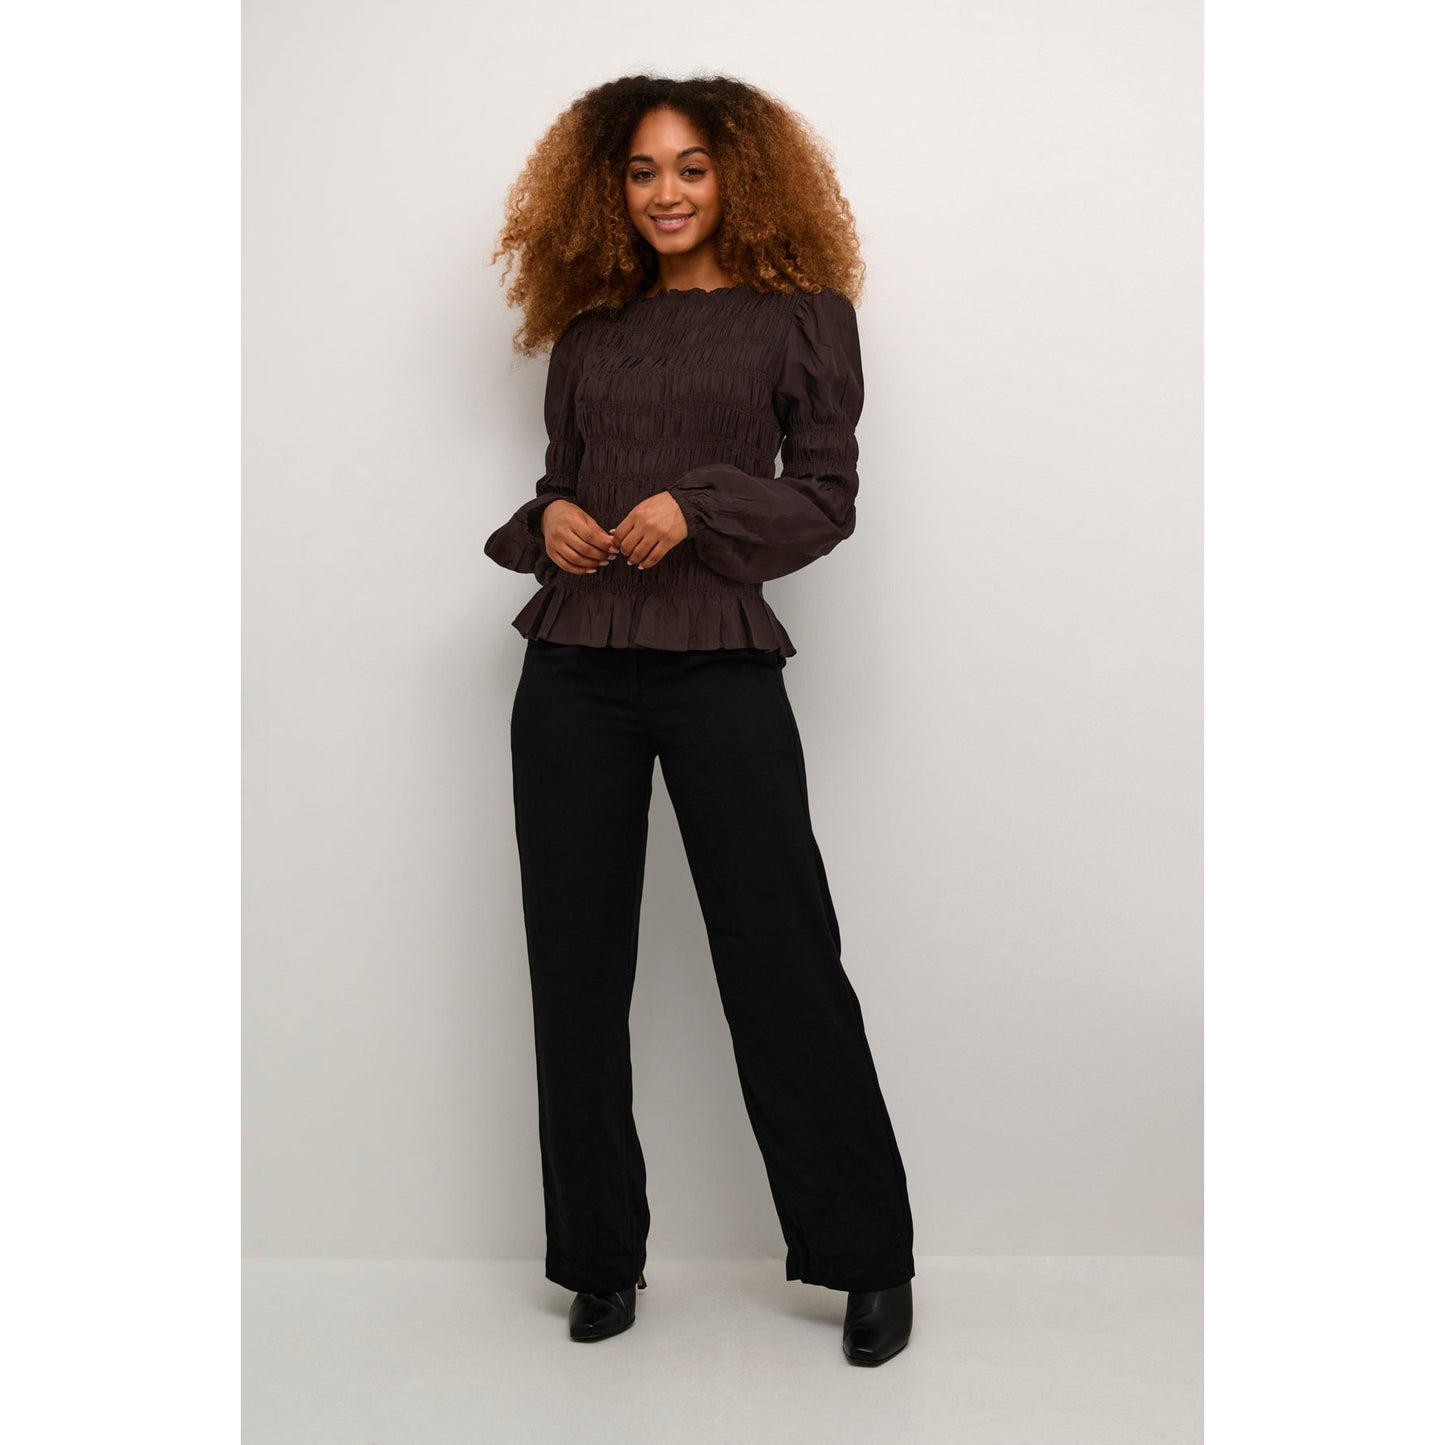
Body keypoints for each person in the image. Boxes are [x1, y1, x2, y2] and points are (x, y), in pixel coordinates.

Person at [483, 75, 915, 1366]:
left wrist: (702, 505)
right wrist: (553, 521)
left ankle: (865, 1257)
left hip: (717, 660)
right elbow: (559, 484)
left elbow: (826, 497)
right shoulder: (590, 333)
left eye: (690, 168)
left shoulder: (802, 319)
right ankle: (597, 1258)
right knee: (573, 967)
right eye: (640, 171)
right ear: (605, 190)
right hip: (571, 665)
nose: (664, 193)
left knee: (781, 953)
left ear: (741, 178)